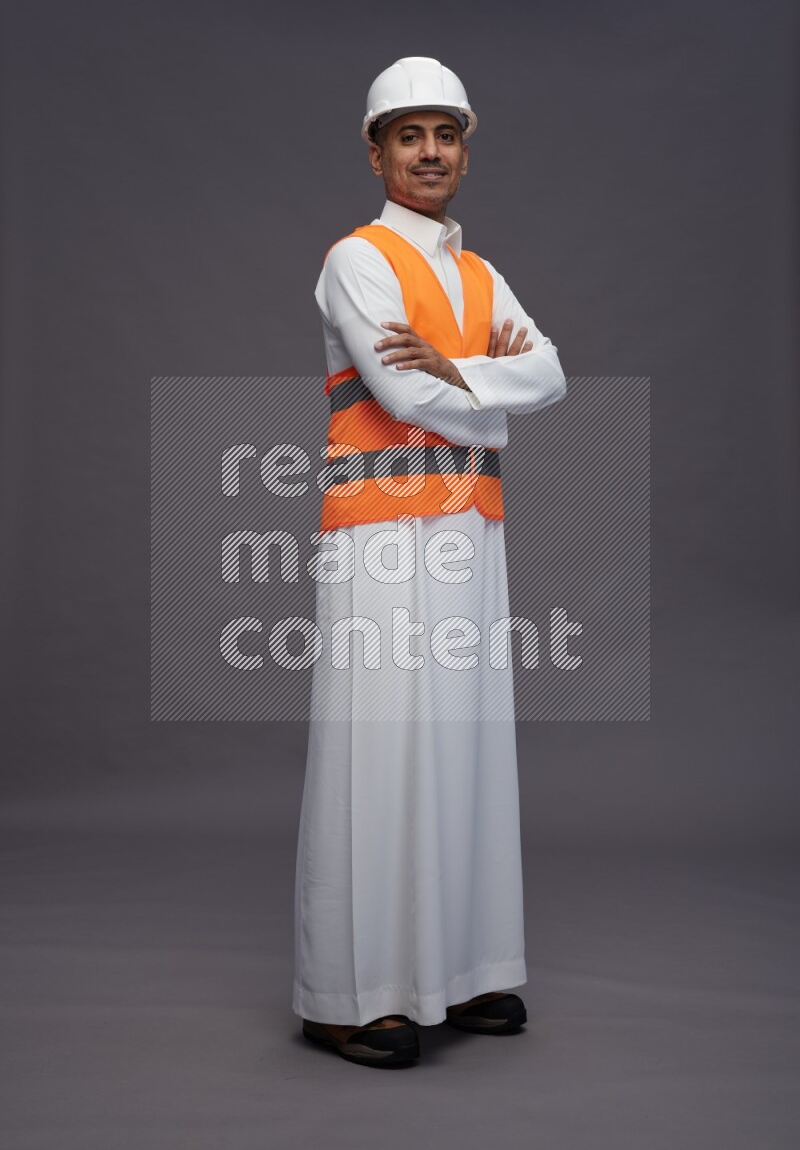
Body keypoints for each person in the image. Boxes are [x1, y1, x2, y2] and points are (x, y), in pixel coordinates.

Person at [293, 56, 567, 1067]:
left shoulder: (481, 274)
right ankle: (343, 994)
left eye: (445, 134)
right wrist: (493, 387)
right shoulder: (356, 259)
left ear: (465, 150)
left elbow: (554, 371)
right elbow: (405, 396)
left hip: (468, 531)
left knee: (466, 742)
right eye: (407, 135)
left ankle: (460, 971)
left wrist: (462, 370)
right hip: (376, 530)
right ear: (375, 153)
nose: (429, 152)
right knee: (374, 748)